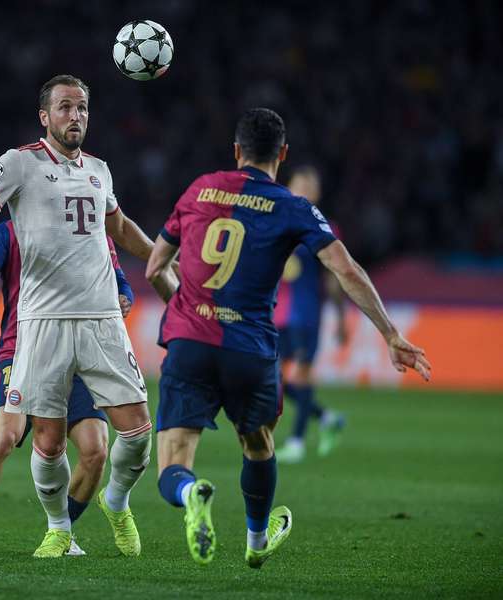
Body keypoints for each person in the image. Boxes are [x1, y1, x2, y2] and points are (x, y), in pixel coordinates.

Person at [145, 108, 431, 569]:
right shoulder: (294, 207)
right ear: (282, 155)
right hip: (250, 350)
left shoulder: (200, 188)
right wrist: (391, 334)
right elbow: (346, 270)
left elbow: (156, 267)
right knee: (258, 446)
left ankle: (190, 491)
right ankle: (257, 541)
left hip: (191, 341)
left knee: (173, 463)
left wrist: (183, 310)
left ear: (236, 151)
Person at [0, 74, 175, 558]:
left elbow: (120, 228)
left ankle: (116, 500)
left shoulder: (99, 170)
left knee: (137, 430)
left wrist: (162, 255)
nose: (76, 116)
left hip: (102, 320)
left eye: (83, 107)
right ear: (45, 116)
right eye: (66, 107)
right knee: (48, 443)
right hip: (42, 323)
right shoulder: (19, 163)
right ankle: (58, 529)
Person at [0, 219, 134, 555]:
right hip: (22, 350)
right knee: (6, 436)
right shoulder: (11, 231)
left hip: (79, 350)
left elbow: (119, 280)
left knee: (96, 450)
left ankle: (62, 531)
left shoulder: (90, 227)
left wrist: (123, 297)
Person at [273, 167, 348, 464]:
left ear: (317, 194)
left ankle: (296, 442)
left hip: (306, 314)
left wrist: (340, 318)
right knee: (272, 379)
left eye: (308, 187)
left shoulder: (323, 228)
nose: (302, 191)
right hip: (276, 314)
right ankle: (327, 417)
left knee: (302, 376)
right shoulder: (275, 221)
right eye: (298, 185)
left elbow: (333, 276)